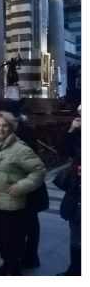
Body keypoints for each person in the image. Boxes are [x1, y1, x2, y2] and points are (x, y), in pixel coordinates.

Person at [0, 112, 45, 276]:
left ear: (11, 128)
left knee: (11, 239)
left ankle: (13, 270)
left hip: (10, 203)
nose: (1, 129)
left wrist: (22, 186)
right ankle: (9, 265)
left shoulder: (19, 148)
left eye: (5, 125)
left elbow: (39, 171)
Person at [0, 98, 48, 268]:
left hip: (21, 186)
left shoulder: (19, 133)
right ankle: (29, 256)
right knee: (30, 223)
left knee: (17, 226)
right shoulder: (21, 129)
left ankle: (16, 261)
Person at [56, 115, 81, 276]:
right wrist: (71, 130)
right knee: (76, 229)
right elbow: (63, 151)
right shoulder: (80, 135)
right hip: (77, 189)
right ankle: (75, 269)